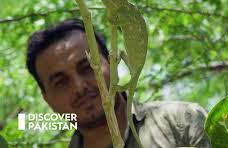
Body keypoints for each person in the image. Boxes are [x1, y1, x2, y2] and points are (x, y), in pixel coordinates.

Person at [26, 18, 211, 148]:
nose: (79, 87)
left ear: (112, 62)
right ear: (47, 99)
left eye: (89, 67)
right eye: (61, 82)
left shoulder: (182, 121)